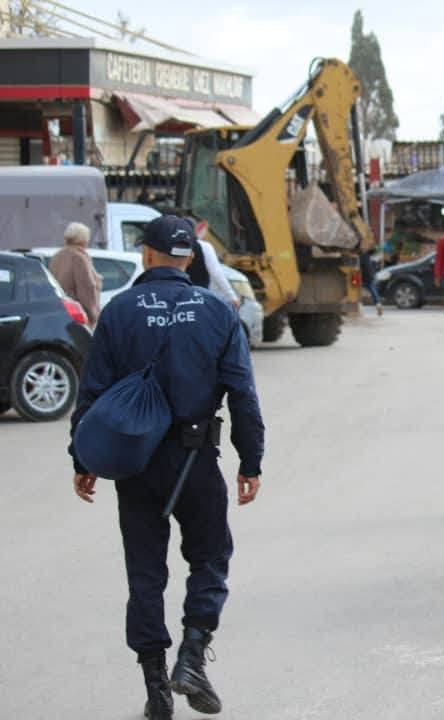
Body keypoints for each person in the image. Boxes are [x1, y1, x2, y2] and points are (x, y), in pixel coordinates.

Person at [69, 215, 264, 719]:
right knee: (210, 558)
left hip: (134, 460)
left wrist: (82, 456)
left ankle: (156, 689)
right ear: (190, 258)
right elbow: (242, 393)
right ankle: (192, 658)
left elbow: (92, 392)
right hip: (196, 459)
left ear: (148, 254)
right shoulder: (217, 311)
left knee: (145, 573)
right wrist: (251, 460)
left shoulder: (119, 311)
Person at [49, 221, 102, 327]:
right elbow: (86, 288)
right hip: (78, 316)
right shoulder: (79, 258)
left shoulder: (56, 257)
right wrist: (93, 315)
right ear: (83, 240)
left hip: (59, 312)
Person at [359, 247, 383, 317]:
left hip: (363, 277)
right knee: (373, 290)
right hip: (370, 276)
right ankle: (378, 304)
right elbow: (372, 250)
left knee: (357, 290)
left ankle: (358, 304)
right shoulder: (366, 255)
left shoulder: (359, 257)